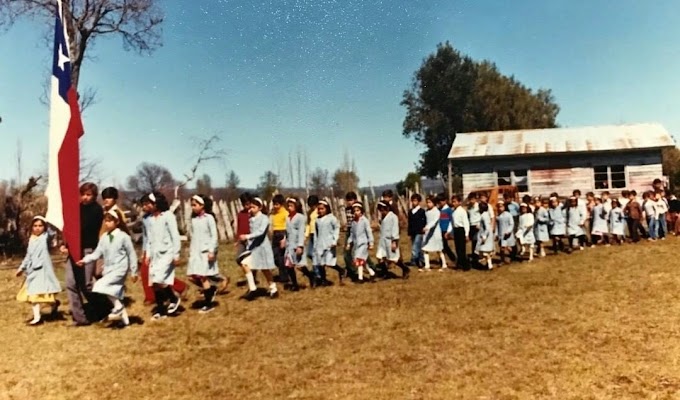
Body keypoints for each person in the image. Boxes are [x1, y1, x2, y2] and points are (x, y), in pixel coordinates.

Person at [77, 209, 137, 327]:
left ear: (117, 222)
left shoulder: (123, 237)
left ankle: (118, 308)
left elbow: (132, 254)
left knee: (100, 286)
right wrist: (84, 260)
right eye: (106, 221)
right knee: (112, 294)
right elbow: (97, 253)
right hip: (108, 269)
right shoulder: (104, 237)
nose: (107, 223)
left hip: (120, 268)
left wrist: (134, 271)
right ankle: (125, 320)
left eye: (110, 221)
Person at [62, 182, 104, 327]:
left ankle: (105, 308)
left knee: (86, 285)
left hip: (87, 250)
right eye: (83, 194)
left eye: (88, 195)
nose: (85, 198)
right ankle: (80, 317)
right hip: (73, 250)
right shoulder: (76, 209)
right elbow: (69, 228)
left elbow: (83, 228)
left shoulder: (96, 210)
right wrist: (66, 245)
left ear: (94, 196)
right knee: (71, 283)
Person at [142, 192, 183, 320]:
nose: (146, 206)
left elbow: (175, 236)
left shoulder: (168, 216)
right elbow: (149, 239)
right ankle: (160, 310)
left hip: (167, 253)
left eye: (148, 203)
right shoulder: (149, 220)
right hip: (154, 255)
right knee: (154, 283)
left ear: (156, 203)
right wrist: (148, 254)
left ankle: (173, 298)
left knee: (160, 280)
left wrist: (176, 254)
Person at [15, 216, 61, 326]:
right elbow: (28, 256)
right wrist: (22, 268)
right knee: (33, 294)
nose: (37, 228)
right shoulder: (31, 240)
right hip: (33, 271)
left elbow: (52, 233)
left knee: (44, 294)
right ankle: (37, 318)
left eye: (40, 226)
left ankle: (54, 304)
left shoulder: (45, 237)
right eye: (35, 226)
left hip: (43, 270)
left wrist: (49, 222)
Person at [238, 197, 279, 300]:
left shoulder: (264, 218)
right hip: (253, 248)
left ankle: (273, 288)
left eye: (253, 207)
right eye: (250, 207)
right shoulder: (251, 219)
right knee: (244, 263)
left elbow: (260, 232)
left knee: (265, 269)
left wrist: (247, 236)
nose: (251, 209)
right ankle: (252, 289)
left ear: (260, 207)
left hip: (262, 248)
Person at [186, 195, 220, 313]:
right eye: (192, 205)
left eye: (195, 205)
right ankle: (210, 290)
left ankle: (208, 303)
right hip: (195, 252)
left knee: (203, 276)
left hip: (205, 251)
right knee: (191, 276)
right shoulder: (194, 220)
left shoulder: (209, 218)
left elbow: (214, 236)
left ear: (202, 205)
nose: (193, 207)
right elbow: (194, 236)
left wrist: (212, 250)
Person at [284, 197, 315, 291]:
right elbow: (287, 231)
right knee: (289, 265)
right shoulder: (287, 218)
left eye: (291, 206)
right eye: (288, 206)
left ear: (296, 206)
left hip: (297, 244)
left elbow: (301, 232)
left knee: (300, 266)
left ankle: (311, 276)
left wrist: (300, 246)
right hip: (289, 245)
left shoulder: (300, 218)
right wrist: (284, 240)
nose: (289, 207)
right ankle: (294, 284)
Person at [376, 201, 409, 279]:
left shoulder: (393, 217)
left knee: (393, 259)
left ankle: (405, 269)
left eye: (383, 209)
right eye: (380, 210)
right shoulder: (383, 218)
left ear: (387, 208)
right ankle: (385, 273)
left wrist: (394, 241)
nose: (382, 211)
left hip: (390, 241)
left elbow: (395, 229)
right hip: (383, 241)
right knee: (380, 257)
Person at [314, 200, 344, 285]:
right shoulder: (317, 220)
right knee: (321, 263)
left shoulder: (332, 218)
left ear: (327, 209)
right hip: (320, 244)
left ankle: (341, 270)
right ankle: (324, 280)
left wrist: (334, 240)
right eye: (319, 209)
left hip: (329, 243)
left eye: (322, 209)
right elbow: (316, 233)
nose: (320, 211)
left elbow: (336, 229)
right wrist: (316, 244)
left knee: (329, 262)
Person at [346, 202, 376, 283]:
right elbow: (352, 233)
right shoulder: (353, 222)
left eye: (358, 210)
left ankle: (360, 278)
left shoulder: (364, 221)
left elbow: (369, 231)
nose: (356, 212)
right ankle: (372, 273)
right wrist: (349, 243)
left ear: (361, 211)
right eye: (354, 211)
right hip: (356, 244)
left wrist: (371, 242)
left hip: (363, 243)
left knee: (359, 260)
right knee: (362, 261)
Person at [421, 195, 446, 272]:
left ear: (434, 203)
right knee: (425, 248)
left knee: (439, 249)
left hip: (435, 233)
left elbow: (434, 221)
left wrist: (427, 227)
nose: (428, 204)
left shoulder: (437, 212)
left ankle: (444, 264)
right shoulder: (426, 211)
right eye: (427, 202)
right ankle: (427, 265)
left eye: (429, 202)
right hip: (427, 233)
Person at [270, 194, 289, 284]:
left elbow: (288, 227)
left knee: (281, 257)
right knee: (275, 256)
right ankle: (286, 270)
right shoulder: (273, 213)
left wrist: (285, 238)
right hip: (275, 234)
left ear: (281, 204)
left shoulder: (285, 213)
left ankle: (284, 278)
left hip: (282, 233)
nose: (275, 206)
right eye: (274, 204)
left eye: (277, 204)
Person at [342, 192, 360, 281]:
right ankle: (351, 270)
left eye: (351, 200)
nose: (349, 202)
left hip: (357, 231)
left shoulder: (358, 209)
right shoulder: (347, 209)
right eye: (348, 200)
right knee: (346, 253)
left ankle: (372, 269)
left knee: (358, 253)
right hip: (349, 231)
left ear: (355, 200)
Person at [451, 195, 470, 271]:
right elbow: (453, 223)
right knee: (457, 248)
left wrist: (466, 234)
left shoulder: (462, 211)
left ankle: (466, 265)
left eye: (455, 201)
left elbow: (466, 223)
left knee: (462, 249)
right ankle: (459, 264)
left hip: (461, 230)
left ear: (459, 202)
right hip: (456, 230)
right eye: (452, 202)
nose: (453, 203)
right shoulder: (453, 212)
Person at [407, 193, 426, 268]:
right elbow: (409, 222)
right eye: (413, 201)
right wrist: (409, 232)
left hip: (419, 231)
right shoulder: (410, 212)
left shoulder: (422, 211)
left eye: (415, 200)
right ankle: (421, 260)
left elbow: (424, 221)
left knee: (415, 247)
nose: (414, 202)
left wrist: (423, 229)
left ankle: (413, 260)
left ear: (419, 201)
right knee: (418, 246)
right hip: (413, 231)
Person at [437, 194, 456, 266]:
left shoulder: (448, 210)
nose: (440, 203)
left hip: (446, 230)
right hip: (440, 230)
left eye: (442, 201)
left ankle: (453, 258)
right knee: (441, 245)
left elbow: (451, 221)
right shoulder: (439, 210)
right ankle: (442, 260)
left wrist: (449, 231)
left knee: (445, 246)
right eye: (439, 201)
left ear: (445, 201)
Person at [305, 195, 321, 282]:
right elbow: (308, 223)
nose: (312, 207)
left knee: (315, 254)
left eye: (313, 205)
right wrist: (306, 235)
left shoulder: (319, 211)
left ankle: (317, 273)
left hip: (317, 234)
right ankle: (318, 267)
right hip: (311, 234)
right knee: (309, 253)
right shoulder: (309, 213)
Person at [475, 202, 495, 270]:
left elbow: (487, 227)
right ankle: (489, 264)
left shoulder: (484, 216)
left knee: (485, 251)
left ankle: (489, 264)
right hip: (485, 234)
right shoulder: (485, 215)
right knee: (485, 251)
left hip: (486, 235)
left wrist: (484, 236)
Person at [467, 193, 481, 261]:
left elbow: (481, 216)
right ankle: (474, 255)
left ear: (476, 199)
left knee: (476, 240)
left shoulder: (478, 206)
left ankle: (477, 255)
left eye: (473, 199)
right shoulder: (469, 207)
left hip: (477, 225)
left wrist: (479, 224)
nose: (471, 201)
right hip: (471, 225)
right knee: (473, 241)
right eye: (470, 199)